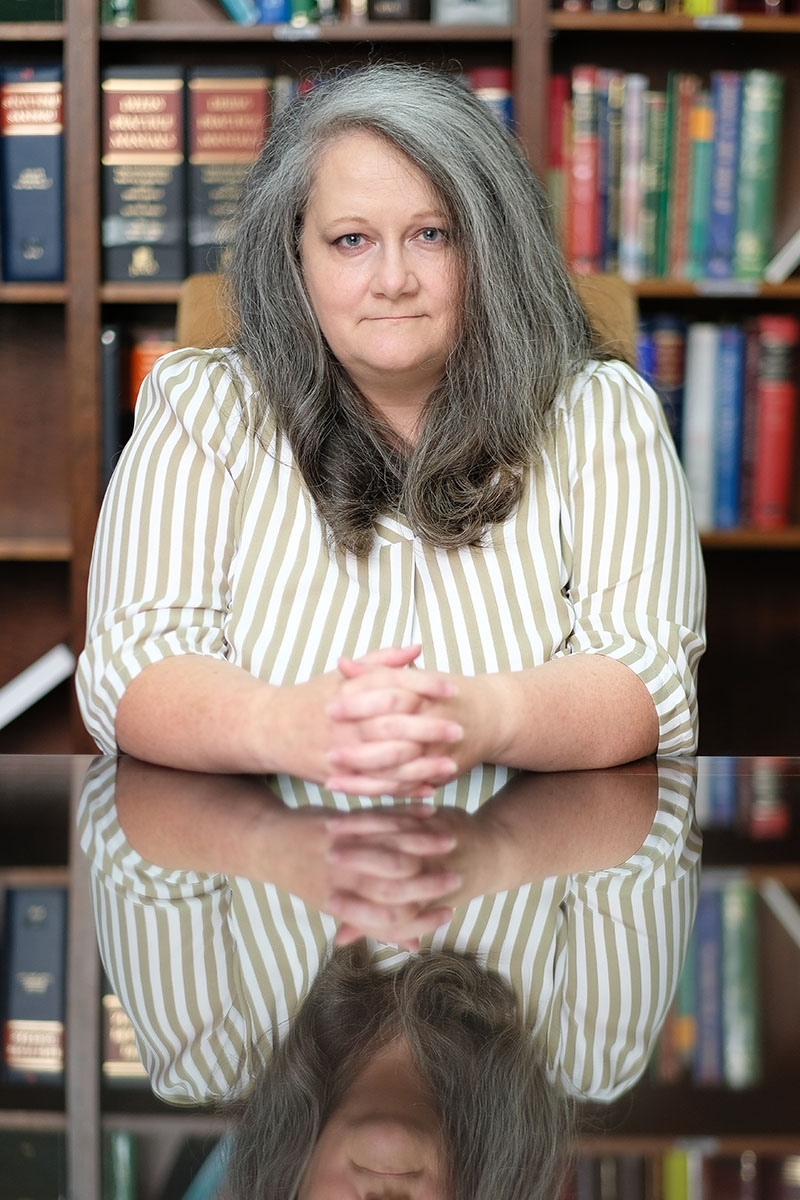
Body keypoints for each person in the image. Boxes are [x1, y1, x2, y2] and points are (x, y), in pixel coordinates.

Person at [75, 62, 706, 798]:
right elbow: (129, 663)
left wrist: (478, 719)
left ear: (492, 248)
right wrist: (280, 724)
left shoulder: (603, 410)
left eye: (432, 234)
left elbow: (649, 675)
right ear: (294, 257)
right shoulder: (203, 405)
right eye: (351, 240)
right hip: (260, 855)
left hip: (530, 858)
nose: (393, 279)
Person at [78, 755, 700, 1199]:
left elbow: (117, 814)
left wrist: (269, 844)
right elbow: (665, 813)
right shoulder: (589, 1051)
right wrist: (497, 850)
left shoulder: (205, 1050)